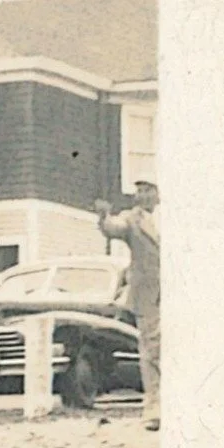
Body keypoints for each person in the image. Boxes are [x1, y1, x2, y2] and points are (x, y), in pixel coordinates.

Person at [95, 181, 161, 430]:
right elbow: (114, 228)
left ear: (159, 192)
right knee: (152, 349)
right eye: (139, 190)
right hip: (148, 295)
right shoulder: (131, 219)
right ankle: (154, 409)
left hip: (181, 291)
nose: (142, 195)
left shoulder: (180, 215)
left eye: (148, 190)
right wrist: (103, 217)